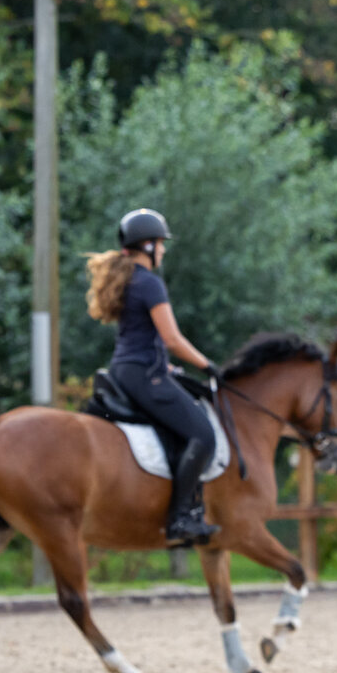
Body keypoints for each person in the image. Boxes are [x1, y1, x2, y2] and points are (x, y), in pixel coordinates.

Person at [86, 207, 222, 546]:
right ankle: (180, 519)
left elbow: (142, 338)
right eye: (160, 244)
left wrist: (169, 368)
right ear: (147, 245)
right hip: (144, 375)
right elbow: (173, 339)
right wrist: (207, 365)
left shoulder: (129, 280)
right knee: (203, 434)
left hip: (127, 370)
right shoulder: (149, 284)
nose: (162, 251)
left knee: (179, 427)